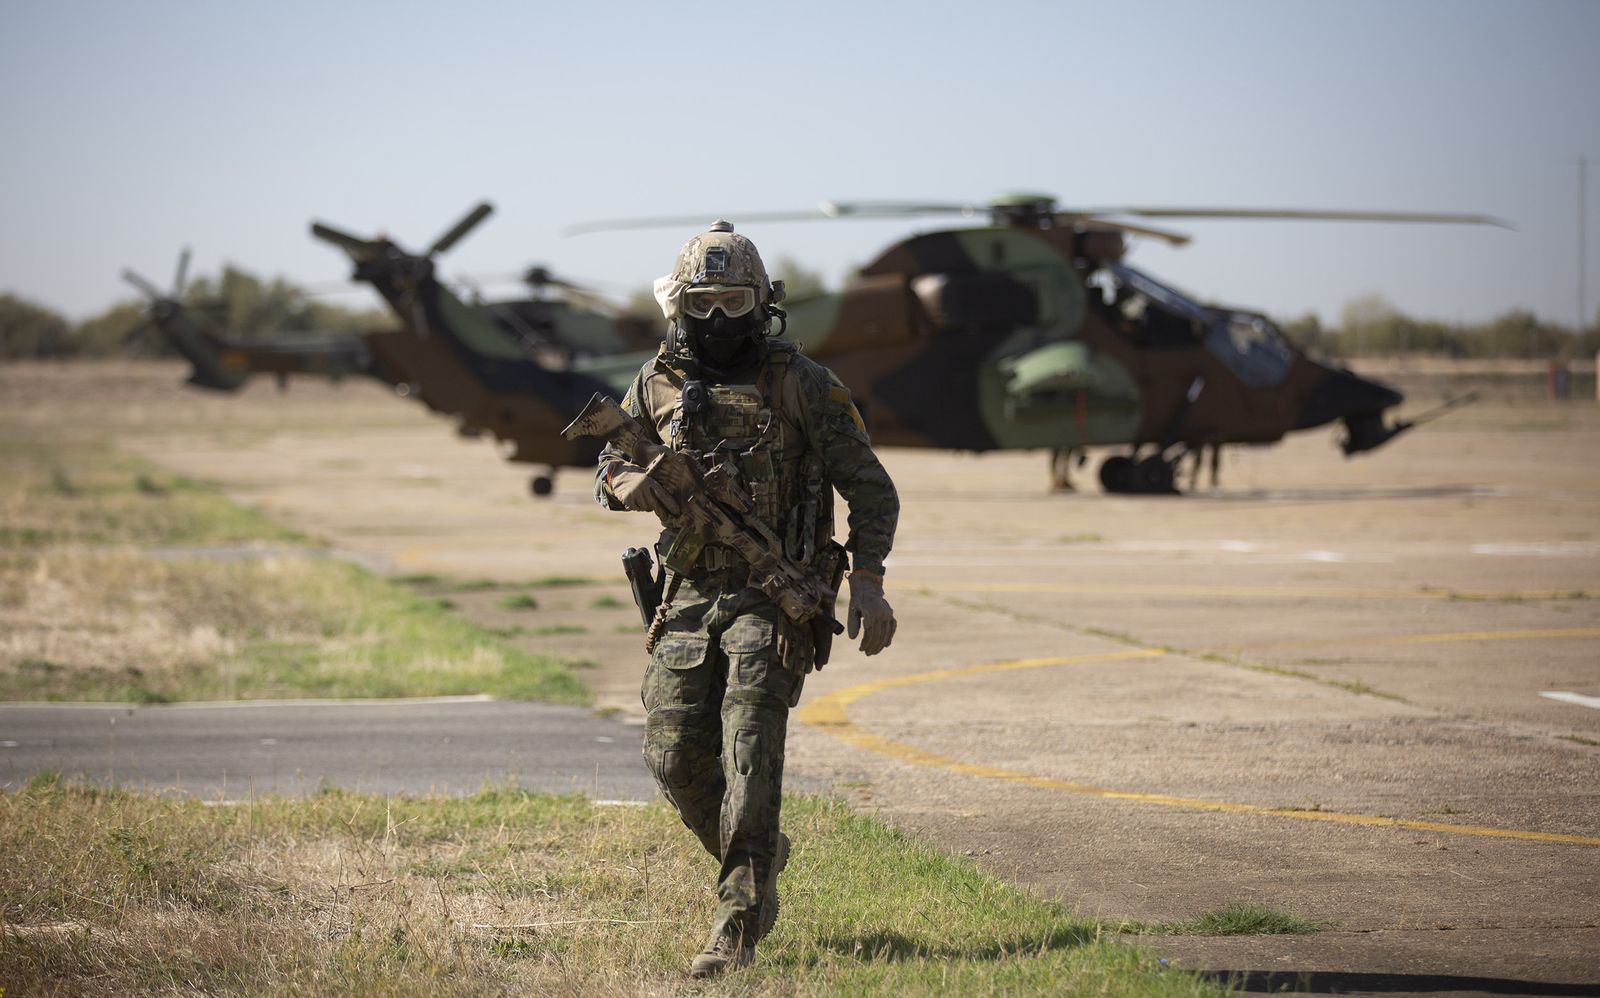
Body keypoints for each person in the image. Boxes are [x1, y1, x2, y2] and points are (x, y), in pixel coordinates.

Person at [594, 220, 899, 977]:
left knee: (751, 751)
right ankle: (760, 855)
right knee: (670, 756)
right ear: (679, 306)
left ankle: (738, 917)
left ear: (763, 304)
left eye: (735, 303)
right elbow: (607, 463)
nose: (719, 320)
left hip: (776, 597)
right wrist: (633, 483)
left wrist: (868, 580)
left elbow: (870, 488)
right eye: (704, 303)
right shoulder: (655, 381)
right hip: (689, 596)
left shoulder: (803, 384)